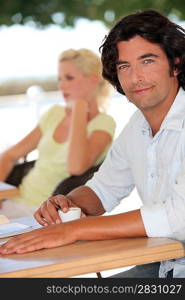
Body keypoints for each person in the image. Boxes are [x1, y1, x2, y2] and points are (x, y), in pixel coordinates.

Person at [0, 9, 185, 278]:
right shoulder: (137, 126)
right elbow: (102, 189)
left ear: (176, 63)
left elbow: (177, 216)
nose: (135, 77)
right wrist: (66, 204)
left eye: (147, 61)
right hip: (164, 263)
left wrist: (71, 230)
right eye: (124, 66)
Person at [0, 48, 116, 218]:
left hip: (45, 214)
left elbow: (76, 167)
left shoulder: (104, 123)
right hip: (14, 202)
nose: (61, 85)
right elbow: (10, 156)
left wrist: (79, 109)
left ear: (93, 80)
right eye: (59, 79)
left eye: (69, 78)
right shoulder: (54, 114)